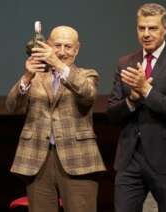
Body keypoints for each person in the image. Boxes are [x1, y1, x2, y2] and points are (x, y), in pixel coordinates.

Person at [6, 25, 106, 212]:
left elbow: (88, 95)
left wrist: (59, 66)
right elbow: (12, 107)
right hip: (38, 159)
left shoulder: (87, 74)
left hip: (78, 159)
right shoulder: (35, 76)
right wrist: (27, 77)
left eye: (67, 47)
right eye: (57, 46)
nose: (61, 52)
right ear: (48, 45)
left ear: (77, 49)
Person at [107, 3, 166, 212]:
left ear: (165, 29)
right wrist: (132, 100)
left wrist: (146, 91)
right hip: (130, 159)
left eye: (152, 28)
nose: (146, 34)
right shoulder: (125, 62)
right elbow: (112, 112)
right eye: (141, 28)